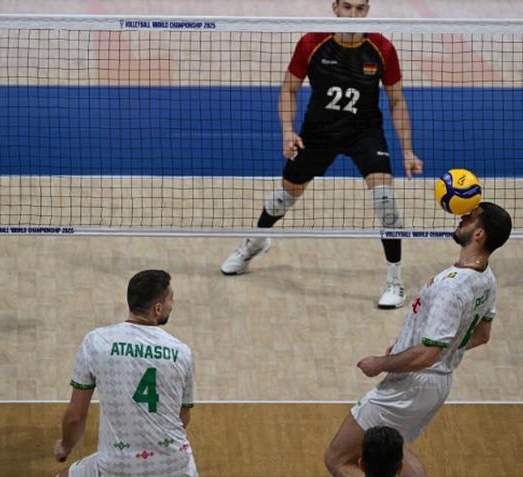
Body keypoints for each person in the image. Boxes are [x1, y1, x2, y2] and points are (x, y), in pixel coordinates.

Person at [220, 0, 423, 309]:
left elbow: (397, 101)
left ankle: (394, 281)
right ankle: (255, 242)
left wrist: (407, 149)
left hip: (364, 133)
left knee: (385, 200)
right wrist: (288, 132)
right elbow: (288, 90)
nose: (353, 15)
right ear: (335, 8)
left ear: (367, 10)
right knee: (283, 197)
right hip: (318, 133)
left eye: (360, 8)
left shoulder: (382, 47)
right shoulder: (312, 43)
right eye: (347, 7)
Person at [323, 202, 513, 477]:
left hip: (411, 385)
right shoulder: (487, 279)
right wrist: (413, 349)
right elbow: (481, 335)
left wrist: (381, 363)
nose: (462, 217)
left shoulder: (452, 288)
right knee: (395, 451)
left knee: (337, 459)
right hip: (435, 385)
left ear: (479, 234)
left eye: (471, 218)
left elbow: (427, 354)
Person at [54, 270, 197, 477]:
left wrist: (65, 446)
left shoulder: (97, 342)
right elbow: (183, 417)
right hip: (177, 464)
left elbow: (75, 417)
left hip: (118, 465)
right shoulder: (182, 352)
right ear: (157, 309)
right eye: (171, 298)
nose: (172, 304)